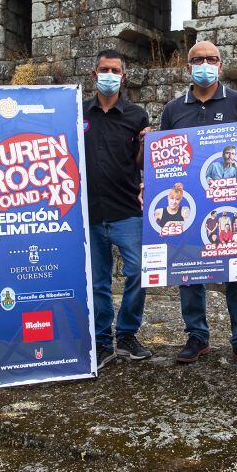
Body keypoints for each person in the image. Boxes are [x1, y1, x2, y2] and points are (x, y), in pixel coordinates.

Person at [159, 40, 237, 369]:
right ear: (187, 67)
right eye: (198, 59)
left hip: (229, 200)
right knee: (189, 272)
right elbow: (164, 157)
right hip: (191, 205)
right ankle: (197, 337)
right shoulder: (173, 109)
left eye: (211, 59)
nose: (205, 64)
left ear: (220, 66)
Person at [83, 49, 152, 369]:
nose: (109, 75)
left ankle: (126, 333)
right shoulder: (78, 113)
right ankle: (100, 341)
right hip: (89, 213)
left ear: (123, 77)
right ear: (93, 74)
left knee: (138, 272)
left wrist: (146, 145)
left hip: (127, 210)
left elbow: (141, 163)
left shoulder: (137, 116)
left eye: (115, 70)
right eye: (103, 69)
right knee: (98, 282)